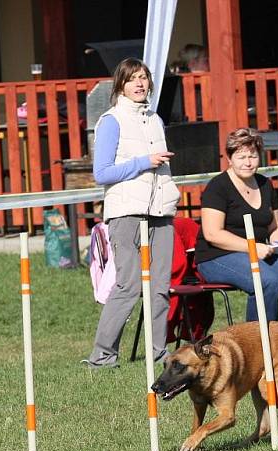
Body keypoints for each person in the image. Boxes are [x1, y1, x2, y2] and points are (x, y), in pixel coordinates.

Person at [83, 58, 179, 369]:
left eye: (143, 78)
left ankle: (159, 352)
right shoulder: (111, 120)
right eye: (132, 79)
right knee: (129, 285)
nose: (139, 84)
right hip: (126, 213)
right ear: (120, 86)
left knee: (160, 288)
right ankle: (102, 355)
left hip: (161, 212)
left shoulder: (155, 120)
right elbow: (102, 172)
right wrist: (143, 161)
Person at [194, 128, 278, 333]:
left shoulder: (265, 184)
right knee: (266, 280)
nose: (248, 162)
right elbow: (212, 234)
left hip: (259, 251)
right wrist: (253, 247)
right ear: (229, 159)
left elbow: (274, 226)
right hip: (217, 256)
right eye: (241, 157)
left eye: (252, 156)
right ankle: (258, 345)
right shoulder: (218, 187)